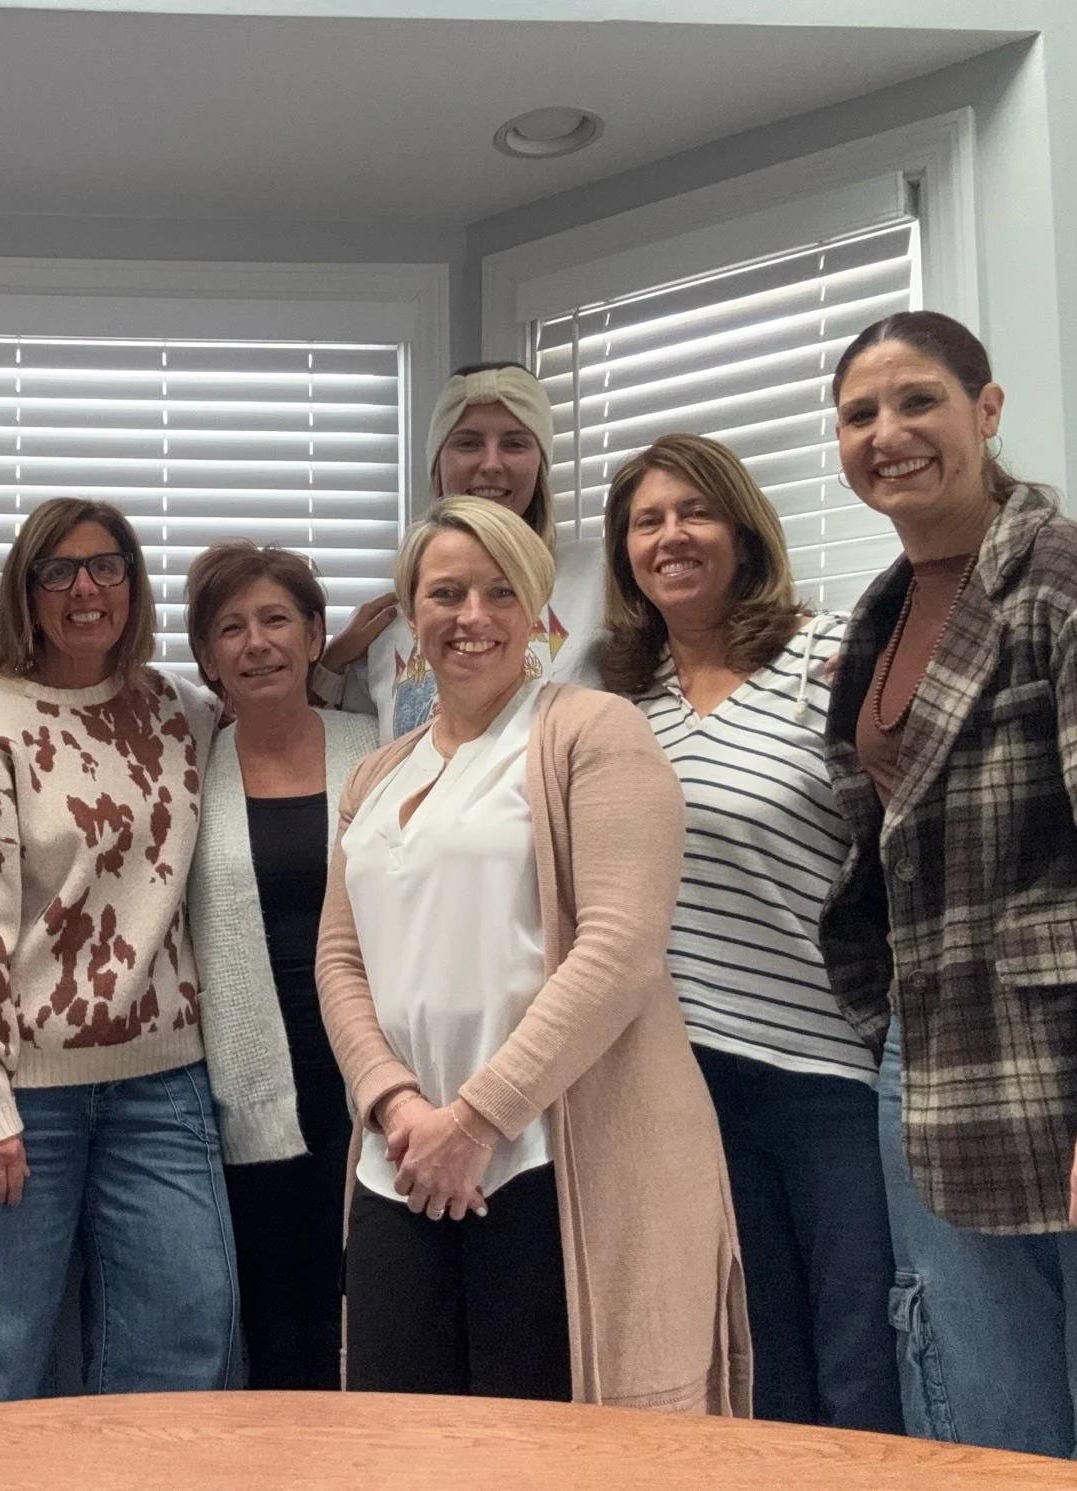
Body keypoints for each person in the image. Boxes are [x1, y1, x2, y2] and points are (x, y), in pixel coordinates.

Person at [318, 496, 749, 1411]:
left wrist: (475, 1120)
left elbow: (620, 951)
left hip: (547, 1157)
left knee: (548, 1450)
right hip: (397, 1162)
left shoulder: (593, 734)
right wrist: (397, 1106)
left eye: (499, 591)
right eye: (444, 593)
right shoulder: (375, 772)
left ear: (538, 610)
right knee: (400, 1447)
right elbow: (340, 961)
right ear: (410, 611)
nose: (471, 616)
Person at [602, 434, 899, 1431]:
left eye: (691, 513)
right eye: (646, 521)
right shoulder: (619, 709)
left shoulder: (824, 660)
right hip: (687, 1081)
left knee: (860, 1351)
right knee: (752, 1354)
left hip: (831, 1072)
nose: (669, 537)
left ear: (739, 529)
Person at [819, 310, 1077, 1456]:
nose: (887, 432)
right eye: (858, 413)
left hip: (1052, 1050)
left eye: (916, 400)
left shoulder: (1054, 576)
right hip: (920, 1053)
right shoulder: (882, 613)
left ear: (985, 410)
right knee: (969, 1385)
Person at [0, 497, 233, 1404]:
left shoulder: (181, 711)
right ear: (27, 592)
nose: (85, 588)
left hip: (164, 1083)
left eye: (106, 566)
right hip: (22, 1093)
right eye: (58, 571)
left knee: (184, 1335)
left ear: (134, 585)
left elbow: (281, 713)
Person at [184, 541, 377, 1390]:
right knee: (277, 1327)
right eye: (231, 627)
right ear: (206, 656)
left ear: (314, 634)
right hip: (248, 1080)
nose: (256, 643)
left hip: (377, 1068)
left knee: (377, 1315)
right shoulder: (184, 768)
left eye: (275, 620)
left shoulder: (381, 748)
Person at [313, 361, 607, 739]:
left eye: (514, 443)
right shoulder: (388, 629)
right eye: (468, 443)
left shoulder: (599, 576)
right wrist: (333, 662)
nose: (491, 463)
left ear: (541, 464)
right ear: (438, 463)